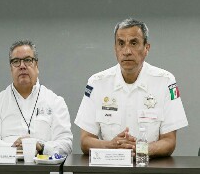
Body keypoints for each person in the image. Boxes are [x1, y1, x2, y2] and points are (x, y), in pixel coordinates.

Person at [74, 18, 188, 157]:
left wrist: (140, 149)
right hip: (109, 166)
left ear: (146, 48)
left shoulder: (165, 82)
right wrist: (111, 146)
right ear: (115, 48)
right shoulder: (97, 83)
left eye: (134, 43)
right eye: (121, 44)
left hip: (148, 166)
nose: (126, 51)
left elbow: (169, 141)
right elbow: (85, 141)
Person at [0, 40, 73, 156]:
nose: (22, 66)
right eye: (16, 61)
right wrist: (13, 148)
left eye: (28, 60)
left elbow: (66, 144)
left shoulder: (55, 102)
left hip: (43, 164)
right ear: (11, 68)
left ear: (36, 65)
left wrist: (41, 147)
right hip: (7, 165)